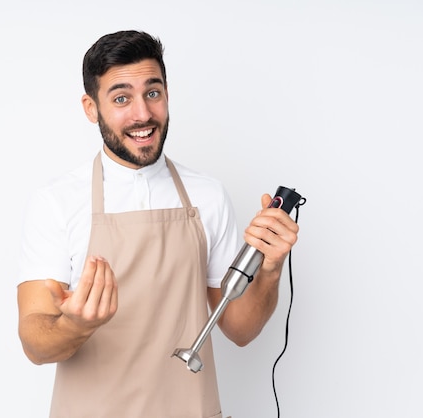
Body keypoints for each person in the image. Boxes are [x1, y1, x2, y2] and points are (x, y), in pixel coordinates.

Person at [16, 30, 299, 418]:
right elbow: (35, 343)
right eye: (121, 98)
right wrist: (75, 325)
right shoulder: (57, 202)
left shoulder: (208, 196)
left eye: (153, 92)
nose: (143, 114)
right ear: (90, 107)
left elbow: (240, 329)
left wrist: (269, 268)